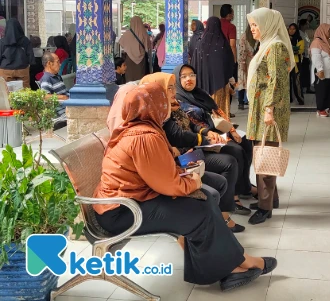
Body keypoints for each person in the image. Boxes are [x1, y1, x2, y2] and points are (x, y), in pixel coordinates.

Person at [93, 83, 276, 291]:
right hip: (121, 211)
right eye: (163, 101)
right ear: (153, 106)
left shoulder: (141, 128)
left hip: (133, 200)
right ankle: (236, 265)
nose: (169, 105)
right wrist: (193, 181)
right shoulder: (144, 136)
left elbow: (159, 174)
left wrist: (187, 179)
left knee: (205, 199)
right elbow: (168, 184)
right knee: (200, 210)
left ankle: (234, 264)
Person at [140, 72, 250, 229]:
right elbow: (178, 136)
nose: (173, 92)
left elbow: (191, 125)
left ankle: (231, 204)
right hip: (180, 159)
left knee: (237, 149)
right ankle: (224, 215)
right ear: (157, 91)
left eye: (173, 87)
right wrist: (203, 140)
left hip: (189, 151)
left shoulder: (174, 106)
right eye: (168, 88)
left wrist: (205, 132)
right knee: (229, 162)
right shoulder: (158, 115)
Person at [174, 64, 256, 213]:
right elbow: (188, 129)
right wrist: (207, 136)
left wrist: (231, 130)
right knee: (235, 152)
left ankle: (245, 186)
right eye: (183, 76)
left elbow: (217, 112)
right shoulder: (177, 102)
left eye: (192, 75)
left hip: (211, 134)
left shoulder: (200, 94)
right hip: (193, 149)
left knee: (245, 142)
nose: (189, 79)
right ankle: (233, 197)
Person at [246, 8, 293, 225]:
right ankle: (271, 199)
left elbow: (278, 81)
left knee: (266, 158)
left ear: (267, 25)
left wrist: (269, 109)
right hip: (262, 108)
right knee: (262, 152)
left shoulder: (275, 47)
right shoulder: (266, 45)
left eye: (256, 25)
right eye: (252, 25)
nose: (252, 29)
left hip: (268, 110)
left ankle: (265, 208)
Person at [196, 17, 235, 118]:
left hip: (203, 84)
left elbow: (195, 64)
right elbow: (230, 62)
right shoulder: (223, 43)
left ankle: (208, 132)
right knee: (221, 112)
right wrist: (230, 78)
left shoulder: (201, 44)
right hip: (221, 84)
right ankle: (223, 131)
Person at [0, 19, 34, 89]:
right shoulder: (25, 40)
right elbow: (30, 56)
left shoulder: (2, 41)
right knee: (25, 92)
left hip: (6, 70)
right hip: (22, 69)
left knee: (6, 92)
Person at [119, 16, 152, 82]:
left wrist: (129, 49)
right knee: (140, 79)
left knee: (129, 78)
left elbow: (121, 43)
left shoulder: (126, 34)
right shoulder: (144, 34)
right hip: (141, 61)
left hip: (129, 60)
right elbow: (148, 47)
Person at [39, 52, 69, 121]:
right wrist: (62, 97)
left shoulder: (57, 76)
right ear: (49, 63)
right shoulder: (46, 78)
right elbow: (44, 96)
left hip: (68, 108)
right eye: (58, 62)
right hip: (62, 113)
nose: (60, 64)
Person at [237, 25, 255, 111]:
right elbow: (241, 50)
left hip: (254, 62)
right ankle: (241, 102)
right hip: (245, 61)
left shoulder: (258, 35)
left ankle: (251, 101)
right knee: (243, 82)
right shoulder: (244, 36)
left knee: (252, 82)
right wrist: (243, 62)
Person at [287, 23, 304, 105]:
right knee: (287, 81)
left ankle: (300, 98)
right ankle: (288, 99)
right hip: (286, 63)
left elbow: (300, 50)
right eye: (290, 29)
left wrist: (293, 50)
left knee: (296, 81)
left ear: (296, 30)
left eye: (293, 29)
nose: (291, 31)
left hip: (296, 63)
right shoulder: (285, 39)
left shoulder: (299, 39)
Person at [298, 19, 314, 94]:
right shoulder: (299, 33)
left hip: (307, 55)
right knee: (303, 72)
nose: (308, 25)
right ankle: (303, 88)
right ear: (302, 25)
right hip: (302, 55)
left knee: (307, 72)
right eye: (306, 24)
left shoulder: (305, 33)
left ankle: (307, 88)